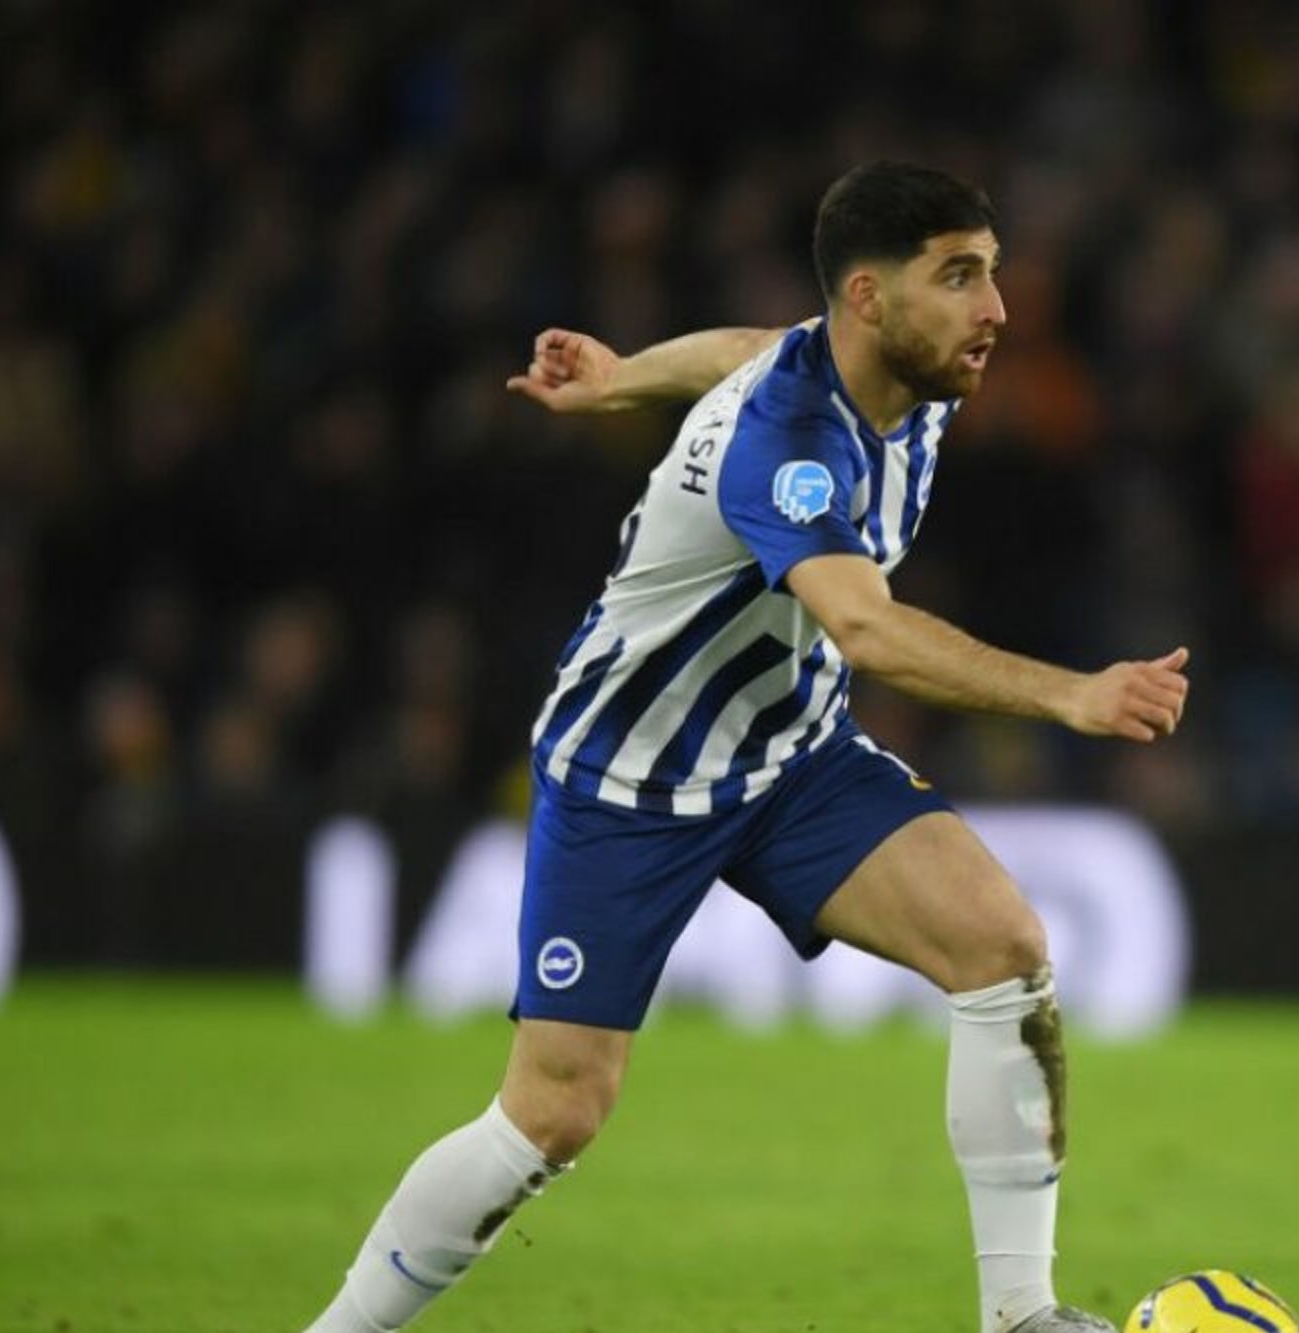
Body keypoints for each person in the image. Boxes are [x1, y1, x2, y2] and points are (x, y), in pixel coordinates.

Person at [301, 161, 1191, 1333]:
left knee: (1001, 946)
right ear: (869, 297)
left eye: (991, 273)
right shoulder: (788, 441)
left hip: (786, 757)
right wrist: (1071, 695)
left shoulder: (894, 371)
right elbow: (865, 628)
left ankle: (1020, 1317)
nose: (996, 309)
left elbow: (747, 344)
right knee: (553, 1113)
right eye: (959, 277)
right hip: (632, 775)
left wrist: (625, 376)